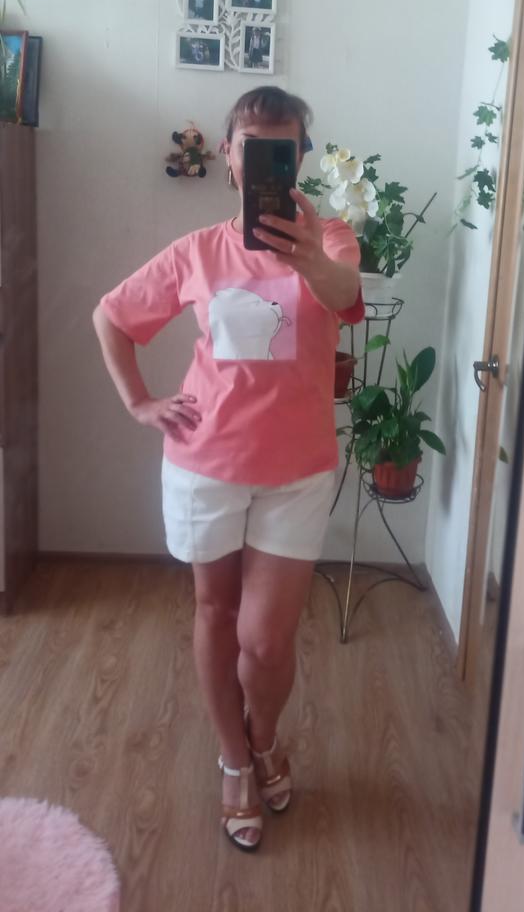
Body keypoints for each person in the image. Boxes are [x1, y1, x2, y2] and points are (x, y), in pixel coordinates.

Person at [92, 86, 364, 853]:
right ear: (230, 158)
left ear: (300, 158)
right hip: (205, 463)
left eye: (283, 147)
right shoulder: (198, 251)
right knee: (215, 615)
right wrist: (139, 401)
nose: (266, 159)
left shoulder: (330, 237)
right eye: (252, 145)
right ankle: (234, 759)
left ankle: (263, 734)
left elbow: (344, 295)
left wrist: (302, 254)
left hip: (297, 470)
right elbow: (111, 316)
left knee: (267, 640)